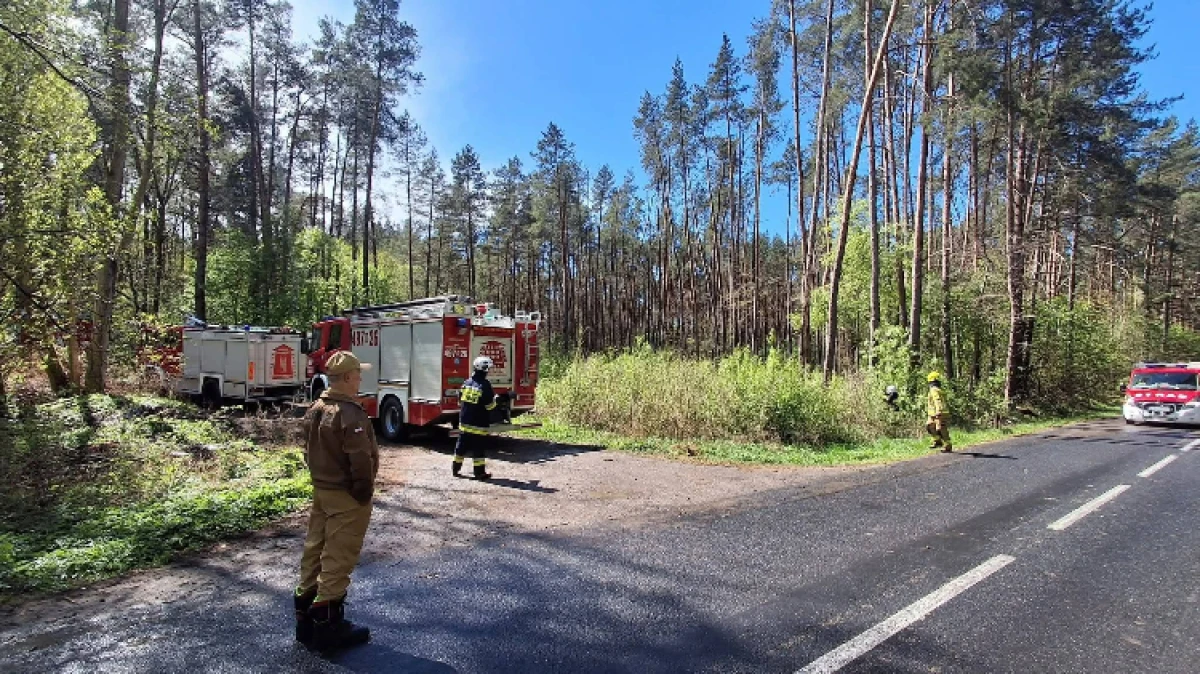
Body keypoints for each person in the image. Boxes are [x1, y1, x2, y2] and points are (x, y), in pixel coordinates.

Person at [293, 351, 379, 651]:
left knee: (314, 550)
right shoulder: (349, 413)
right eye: (357, 374)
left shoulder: (316, 408)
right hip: (346, 496)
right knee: (338, 557)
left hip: (323, 492)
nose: (359, 379)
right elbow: (360, 460)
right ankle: (329, 625)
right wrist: (363, 494)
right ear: (346, 378)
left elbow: (307, 449)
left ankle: (304, 618)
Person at [453, 356, 514, 480]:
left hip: (464, 422)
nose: (489, 371)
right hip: (478, 424)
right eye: (488, 369)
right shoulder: (485, 385)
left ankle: (455, 469)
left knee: (461, 447)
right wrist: (502, 399)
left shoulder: (467, 382)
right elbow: (490, 406)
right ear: (484, 369)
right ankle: (479, 473)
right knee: (478, 450)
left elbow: (460, 400)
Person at [926, 371, 953, 452]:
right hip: (932, 413)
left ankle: (947, 445)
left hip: (939, 413)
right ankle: (938, 441)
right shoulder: (938, 389)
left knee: (940, 429)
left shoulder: (934, 390)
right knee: (929, 426)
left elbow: (937, 400)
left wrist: (939, 411)